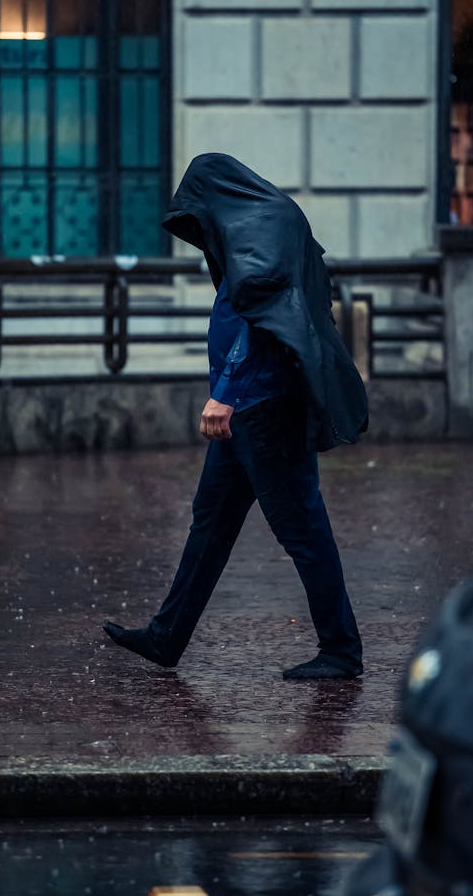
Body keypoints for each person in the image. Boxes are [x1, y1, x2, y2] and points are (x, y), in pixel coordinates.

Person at [104, 153, 368, 680]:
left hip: (264, 406)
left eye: (200, 221)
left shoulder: (263, 228)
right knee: (212, 523)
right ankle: (166, 636)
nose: (202, 235)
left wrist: (225, 391)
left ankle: (341, 649)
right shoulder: (262, 226)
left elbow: (264, 316)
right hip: (250, 407)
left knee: (302, 529)